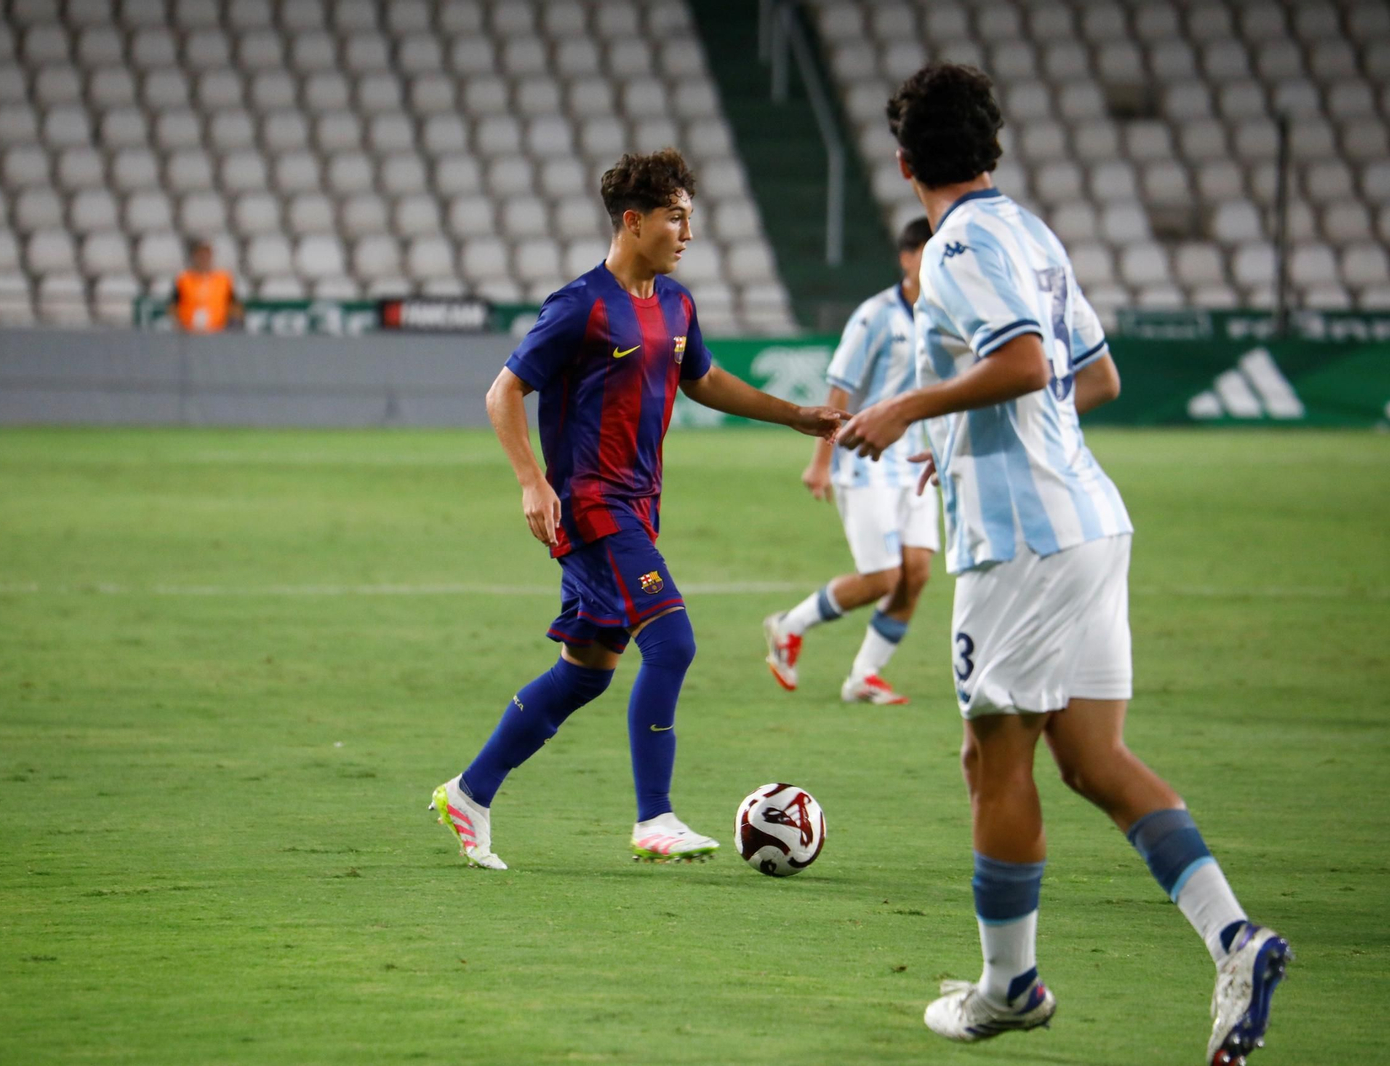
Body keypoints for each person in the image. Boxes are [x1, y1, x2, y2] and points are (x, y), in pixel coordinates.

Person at [837, 64, 1289, 1064]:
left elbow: (1026, 365)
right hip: (1088, 521)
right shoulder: (1031, 233)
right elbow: (1098, 376)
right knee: (1091, 760)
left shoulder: (954, 247)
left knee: (991, 759)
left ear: (905, 164)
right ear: (990, 149)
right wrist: (965, 434)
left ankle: (1010, 988)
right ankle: (1235, 940)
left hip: (1021, 543)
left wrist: (908, 408)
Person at [430, 149, 844, 869]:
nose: (688, 233)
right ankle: (655, 817)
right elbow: (504, 391)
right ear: (633, 221)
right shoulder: (580, 305)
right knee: (672, 642)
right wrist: (532, 481)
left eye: (689, 217)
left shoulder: (676, 305)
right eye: (675, 218)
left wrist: (795, 416)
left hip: (638, 507)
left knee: (586, 672)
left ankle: (470, 793)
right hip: (591, 506)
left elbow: (703, 380)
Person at [763, 218, 938, 705]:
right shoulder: (876, 316)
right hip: (866, 460)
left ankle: (864, 675)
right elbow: (839, 388)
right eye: (929, 253)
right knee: (883, 578)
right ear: (907, 258)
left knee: (917, 574)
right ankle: (789, 625)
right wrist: (820, 462)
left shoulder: (946, 315)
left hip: (915, 461)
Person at [170, 240, 241, 333]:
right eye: (200, 255)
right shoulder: (183, 279)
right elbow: (173, 305)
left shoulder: (224, 279)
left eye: (206, 254)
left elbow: (235, 305)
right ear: (194, 256)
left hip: (218, 332)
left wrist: (231, 323)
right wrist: (178, 324)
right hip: (188, 333)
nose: (203, 258)